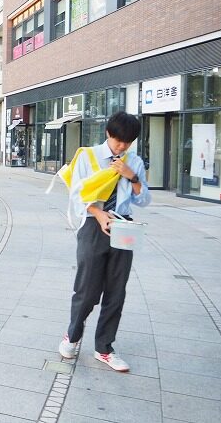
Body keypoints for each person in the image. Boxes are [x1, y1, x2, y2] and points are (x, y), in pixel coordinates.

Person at [58, 111, 151, 372]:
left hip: (124, 225)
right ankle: (73, 336)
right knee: (87, 289)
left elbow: (143, 200)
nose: (121, 146)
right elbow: (77, 195)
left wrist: (132, 176)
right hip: (93, 225)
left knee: (116, 291)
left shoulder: (134, 162)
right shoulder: (87, 156)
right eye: (118, 140)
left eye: (128, 142)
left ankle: (104, 348)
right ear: (108, 134)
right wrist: (98, 214)